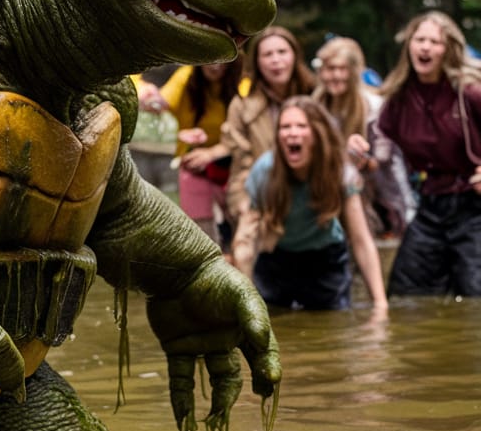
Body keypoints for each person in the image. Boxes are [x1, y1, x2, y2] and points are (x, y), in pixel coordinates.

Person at [233, 96, 388, 312]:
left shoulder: (340, 172)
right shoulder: (265, 171)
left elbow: (361, 240)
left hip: (325, 263)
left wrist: (380, 305)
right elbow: (245, 240)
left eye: (301, 126)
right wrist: (243, 298)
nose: (292, 133)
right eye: (285, 127)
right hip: (277, 262)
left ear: (317, 133)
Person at [376, 10, 481, 296]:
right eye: (419, 39)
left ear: (448, 49)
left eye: (434, 42)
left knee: (475, 293)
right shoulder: (399, 98)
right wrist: (358, 149)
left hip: (473, 205)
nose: (425, 47)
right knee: (404, 293)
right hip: (430, 205)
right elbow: (378, 147)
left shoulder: (469, 91)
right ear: (409, 45)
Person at [312, 36, 415, 236]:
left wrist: (357, 158)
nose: (336, 75)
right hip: (332, 196)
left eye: (342, 69)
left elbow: (384, 158)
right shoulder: (316, 107)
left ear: (354, 72)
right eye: (330, 69)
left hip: (380, 197)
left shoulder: (374, 106)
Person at [135, 60, 243, 244]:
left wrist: (212, 153)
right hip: (192, 164)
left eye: (222, 60)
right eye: (210, 59)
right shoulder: (187, 76)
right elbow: (161, 103)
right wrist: (147, 95)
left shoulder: (243, 86)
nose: (215, 65)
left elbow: (245, 134)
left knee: (237, 224)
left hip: (234, 164)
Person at [221, 25, 317, 222]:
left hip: (314, 196)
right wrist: (242, 204)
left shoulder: (316, 97)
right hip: (265, 197)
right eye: (267, 54)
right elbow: (241, 163)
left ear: (295, 56)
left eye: (282, 52)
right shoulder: (242, 106)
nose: (276, 60)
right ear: (257, 62)